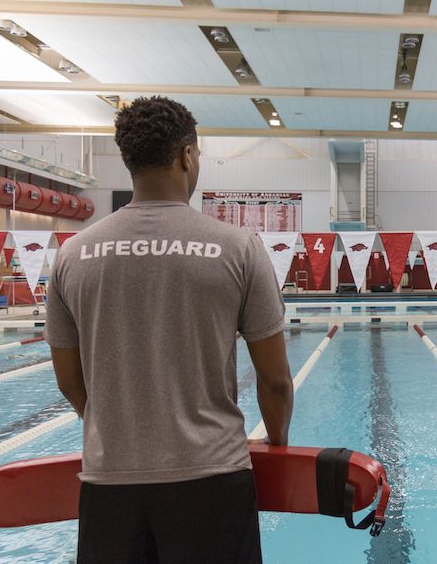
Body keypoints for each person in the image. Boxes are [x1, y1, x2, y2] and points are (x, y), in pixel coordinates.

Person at [46, 97, 294, 564]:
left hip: (109, 486)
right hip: (213, 481)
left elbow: (69, 380)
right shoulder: (239, 248)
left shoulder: (73, 255)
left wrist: (118, 431)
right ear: (186, 155)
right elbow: (276, 379)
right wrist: (277, 441)